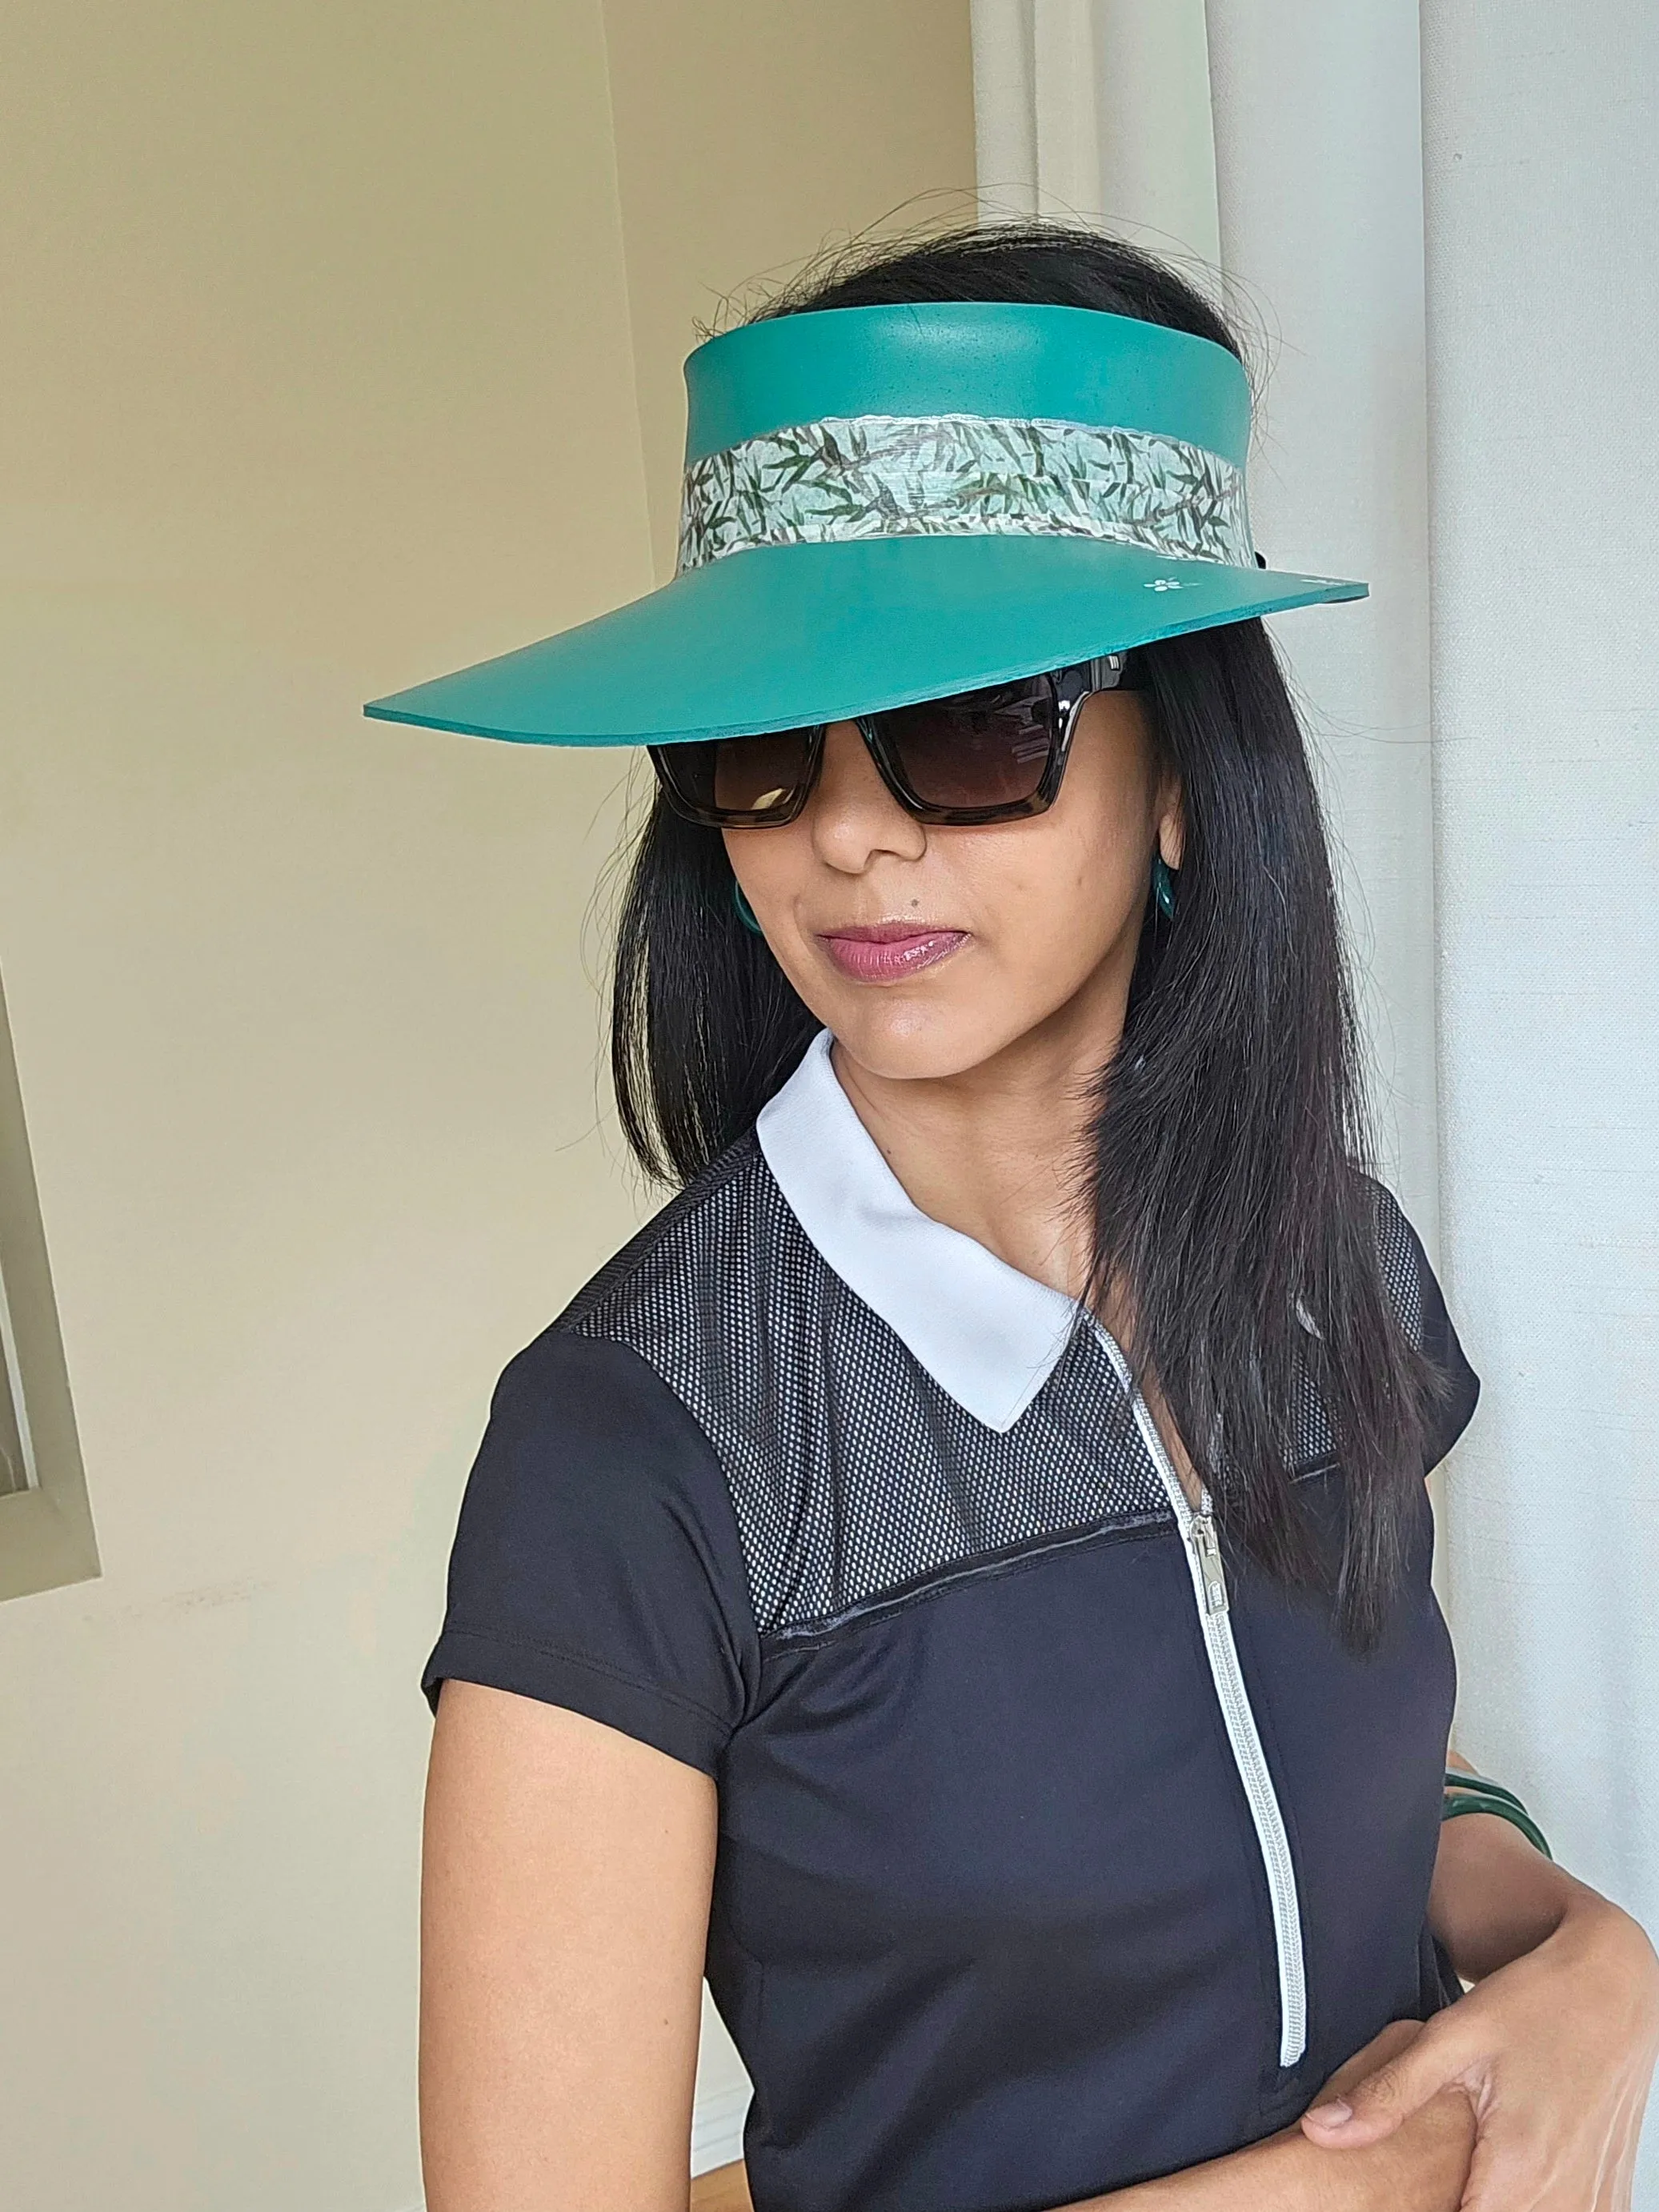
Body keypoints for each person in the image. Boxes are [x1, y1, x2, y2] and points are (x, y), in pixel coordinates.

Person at [367, 226, 1659, 2212]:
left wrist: (1585, 1961)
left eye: (973, 724)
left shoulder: (1336, 1265)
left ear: (1177, 778)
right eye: (762, 748)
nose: (850, 827)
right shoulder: (635, 1449)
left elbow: (1361, 1783)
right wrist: (1336, 2193)